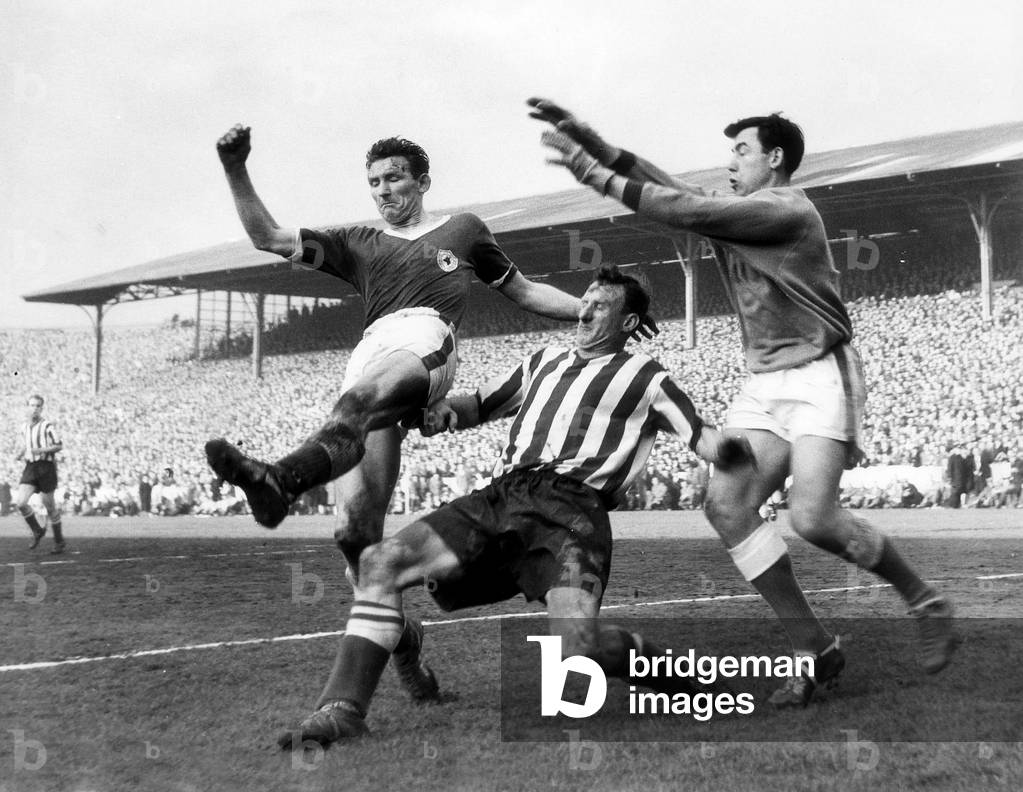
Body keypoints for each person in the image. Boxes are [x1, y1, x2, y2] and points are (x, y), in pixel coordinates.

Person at [532, 97, 960, 706]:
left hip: (818, 372)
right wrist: (602, 148)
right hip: (763, 381)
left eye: (742, 150)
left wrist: (594, 175)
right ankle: (815, 648)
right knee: (726, 504)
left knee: (812, 517)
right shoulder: (740, 210)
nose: (730, 161)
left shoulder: (785, 209)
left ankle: (925, 600)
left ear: (776, 159)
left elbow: (680, 205)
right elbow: (674, 191)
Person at [277, 265, 754, 748]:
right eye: (584, 300)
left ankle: (693, 684)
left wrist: (733, 449)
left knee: (577, 649)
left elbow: (702, 437)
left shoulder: (648, 378)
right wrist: (446, 411)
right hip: (502, 497)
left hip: (571, 513)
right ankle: (343, 710)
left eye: (599, 305)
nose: (583, 310)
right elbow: (481, 404)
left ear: (628, 323)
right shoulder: (542, 361)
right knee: (380, 561)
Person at [204, 125, 592, 700]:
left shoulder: (464, 232)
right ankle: (406, 644)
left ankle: (281, 480)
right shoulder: (357, 241)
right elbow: (266, 235)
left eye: (394, 178)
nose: (383, 190)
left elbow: (528, 292)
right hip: (370, 351)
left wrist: (593, 312)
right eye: (374, 182)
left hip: (426, 336)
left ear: (422, 181)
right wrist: (234, 166)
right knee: (354, 537)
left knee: (355, 404)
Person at [14, 395, 66, 553]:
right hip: (30, 467)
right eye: (32, 405)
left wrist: (40, 450)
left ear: (41, 408)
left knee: (49, 507)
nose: (34, 408)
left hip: (46, 468)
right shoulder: (24, 427)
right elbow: (26, 445)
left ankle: (59, 541)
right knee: (21, 503)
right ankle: (37, 530)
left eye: (37, 406)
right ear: (27, 407)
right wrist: (19, 454)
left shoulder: (47, 426)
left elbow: (58, 446)